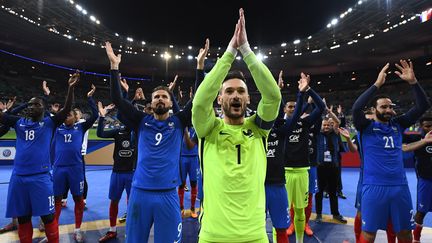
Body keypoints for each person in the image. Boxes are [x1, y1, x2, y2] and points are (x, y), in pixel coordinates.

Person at [192, 9, 281, 242]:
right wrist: (230, 52)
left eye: (241, 91)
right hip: (213, 236)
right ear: (219, 99)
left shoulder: (260, 128)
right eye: (228, 91)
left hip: (255, 235)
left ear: (249, 98)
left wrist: (247, 51)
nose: (235, 96)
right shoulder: (207, 129)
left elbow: (273, 96)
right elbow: (200, 102)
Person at [105, 36, 204, 242]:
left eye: (164, 96)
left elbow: (199, 99)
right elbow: (117, 100)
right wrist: (114, 67)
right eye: (157, 96)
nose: (160, 99)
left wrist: (200, 66)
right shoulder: (140, 121)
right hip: (139, 193)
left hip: (168, 194)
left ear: (170, 102)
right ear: (151, 102)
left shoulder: (179, 121)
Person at [352, 60, 430, 243]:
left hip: (400, 188)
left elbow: (423, 106)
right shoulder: (365, 127)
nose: (389, 110)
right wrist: (377, 85)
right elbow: (356, 108)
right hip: (373, 187)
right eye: (384, 107)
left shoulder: (398, 125)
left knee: (404, 233)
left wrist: (413, 83)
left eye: (391, 107)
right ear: (373, 110)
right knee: (369, 234)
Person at [0, 72, 79, 243]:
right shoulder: (19, 122)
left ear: (43, 108)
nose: (31, 107)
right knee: (23, 218)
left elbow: (66, 109)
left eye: (36, 104)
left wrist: (71, 88)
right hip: (18, 178)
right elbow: (3, 116)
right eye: (30, 105)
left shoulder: (49, 123)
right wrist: (22, 105)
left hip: (40, 177)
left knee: (49, 217)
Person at [264, 70, 308, 243]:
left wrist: (300, 94)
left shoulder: (281, 132)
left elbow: (294, 114)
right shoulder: (255, 130)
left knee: (281, 227)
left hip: (278, 185)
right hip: (257, 186)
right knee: (255, 227)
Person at [282, 74, 325, 242]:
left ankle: (299, 239)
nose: (292, 109)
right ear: (285, 109)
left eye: (294, 106)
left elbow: (321, 107)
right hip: (283, 173)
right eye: (289, 107)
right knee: (283, 211)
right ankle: (287, 228)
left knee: (300, 209)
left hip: (302, 172)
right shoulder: (280, 124)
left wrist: (308, 90)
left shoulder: (305, 123)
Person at [52, 84, 97, 242]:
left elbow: (95, 115)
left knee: (78, 199)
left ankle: (77, 230)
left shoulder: (81, 127)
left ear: (75, 117)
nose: (66, 117)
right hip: (58, 169)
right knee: (56, 199)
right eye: (64, 115)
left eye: (69, 115)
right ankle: (53, 230)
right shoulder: (56, 128)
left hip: (76, 169)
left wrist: (90, 98)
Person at [353, 108, 396, 243]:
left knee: (391, 215)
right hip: (366, 179)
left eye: (372, 119)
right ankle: (357, 239)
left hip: (390, 180)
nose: (370, 122)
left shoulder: (390, 132)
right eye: (368, 120)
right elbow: (352, 149)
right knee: (360, 213)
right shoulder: (361, 133)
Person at [97, 102, 136, 242]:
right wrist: (102, 117)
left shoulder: (138, 131)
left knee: (133, 202)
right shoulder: (118, 131)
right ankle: (112, 230)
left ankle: (132, 230)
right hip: (117, 172)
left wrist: (132, 102)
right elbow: (100, 133)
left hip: (133, 173)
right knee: (114, 201)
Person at [178, 39, 208, 219]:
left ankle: (193, 208)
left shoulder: (196, 125)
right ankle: (181, 207)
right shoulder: (181, 120)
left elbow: (190, 145)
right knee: (181, 185)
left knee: (195, 184)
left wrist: (200, 66)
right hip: (182, 159)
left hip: (193, 159)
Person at [402, 116, 432, 243]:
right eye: (427, 126)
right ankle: (416, 238)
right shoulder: (416, 138)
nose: (430, 129)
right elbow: (400, 135)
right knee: (421, 212)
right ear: (421, 127)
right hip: (425, 181)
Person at [314, 118, 350, 224]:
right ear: (321, 126)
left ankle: (336, 214)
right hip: (320, 167)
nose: (326, 127)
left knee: (333, 192)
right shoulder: (318, 134)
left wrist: (330, 113)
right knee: (319, 192)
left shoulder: (335, 134)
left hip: (333, 167)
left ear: (331, 126)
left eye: (328, 125)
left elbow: (337, 122)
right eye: (324, 125)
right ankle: (319, 214)